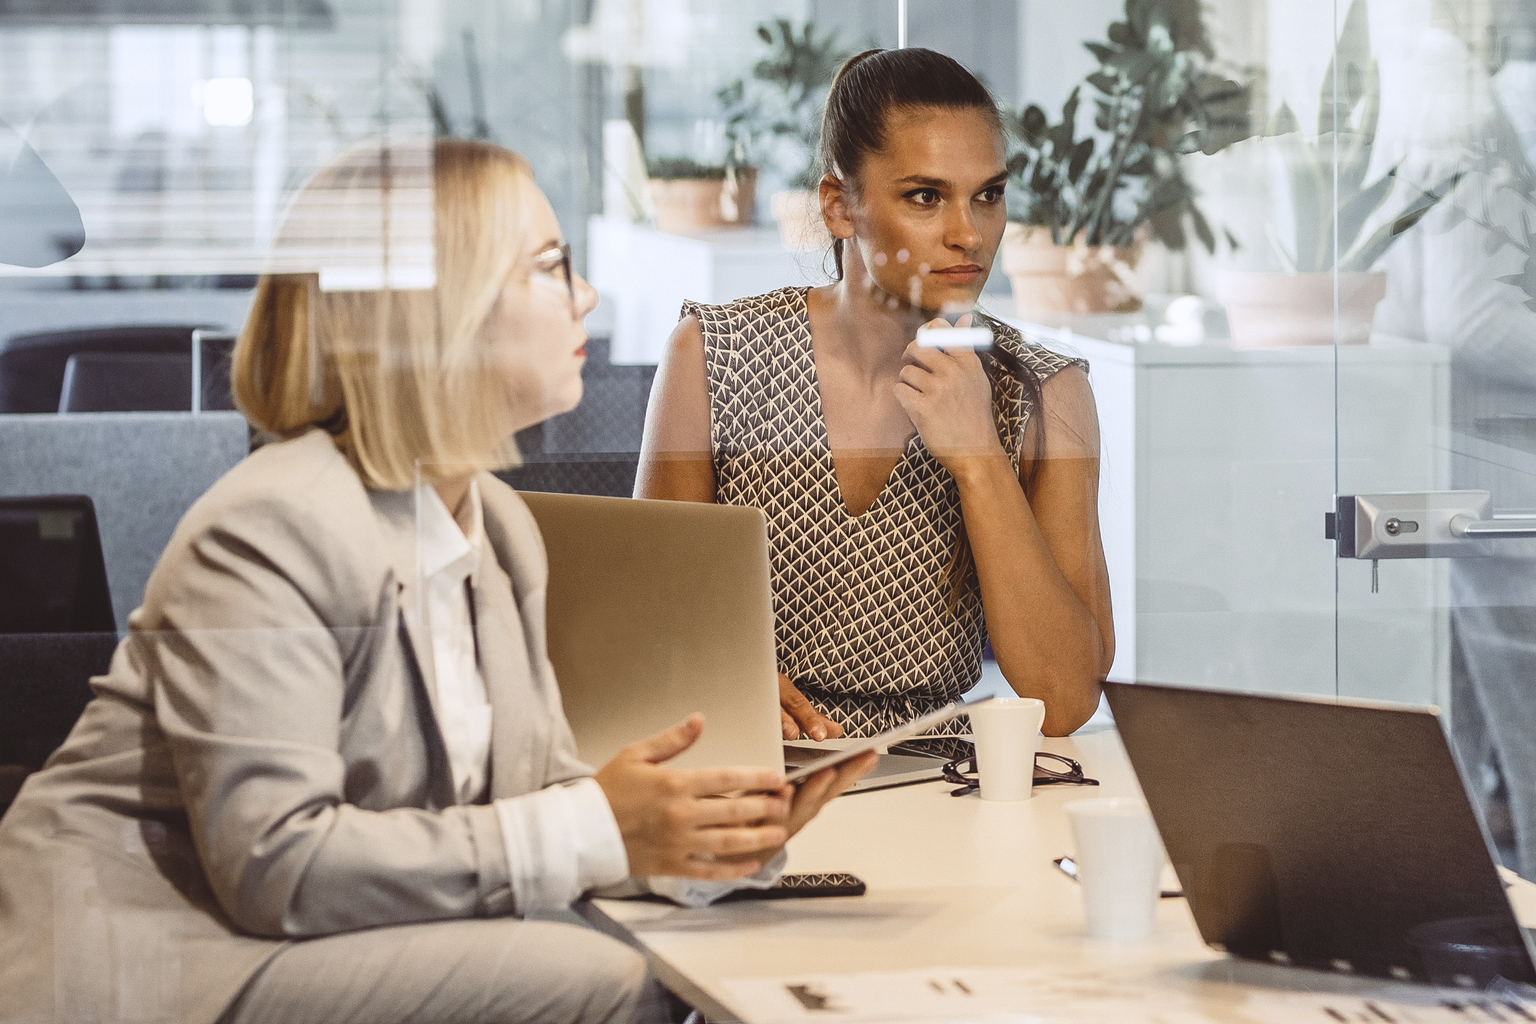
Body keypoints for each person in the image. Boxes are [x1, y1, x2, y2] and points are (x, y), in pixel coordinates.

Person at [0, 138, 873, 1024]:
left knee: (670, 964)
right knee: (599, 982)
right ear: (440, 313)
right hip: (133, 960)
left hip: (297, 942)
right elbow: (274, 865)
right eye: (548, 267)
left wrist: (702, 837)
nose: (587, 296)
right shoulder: (273, 525)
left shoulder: (494, 530)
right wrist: (599, 823)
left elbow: (531, 808)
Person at [636, 48, 1113, 745]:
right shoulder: (713, 355)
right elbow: (649, 632)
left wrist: (979, 461)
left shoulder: (1044, 393)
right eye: (925, 196)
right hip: (746, 771)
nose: (969, 233)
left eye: (988, 194)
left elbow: (1066, 698)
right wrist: (717, 680)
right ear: (839, 206)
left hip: (939, 791)